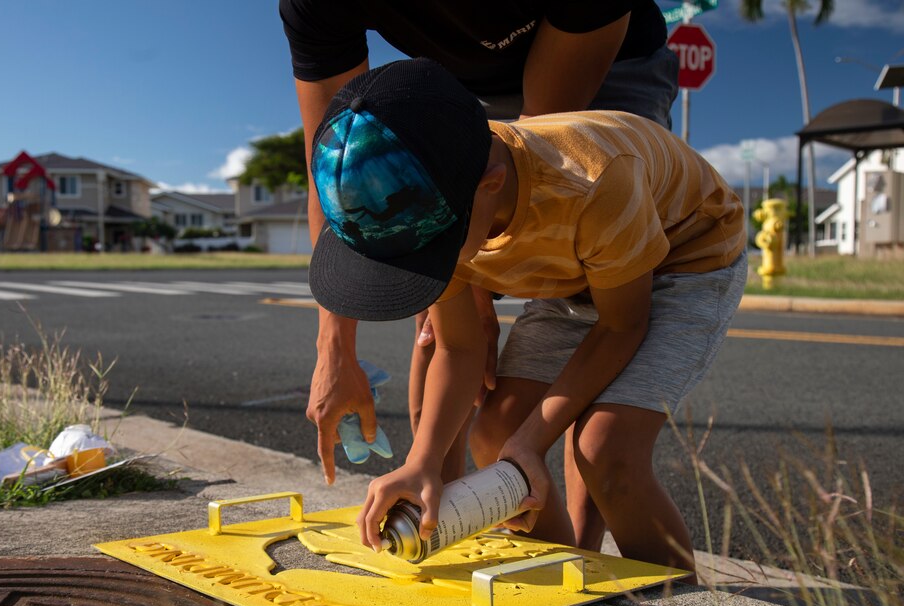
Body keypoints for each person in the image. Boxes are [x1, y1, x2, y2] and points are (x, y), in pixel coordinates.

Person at [306, 59, 746, 576]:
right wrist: (423, 461)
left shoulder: (594, 181)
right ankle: (570, 581)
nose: (427, 269)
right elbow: (458, 348)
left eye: (430, 256)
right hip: (581, 269)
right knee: (495, 435)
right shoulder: (438, 204)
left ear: (491, 184)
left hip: (683, 260)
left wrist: (534, 441)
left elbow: (621, 325)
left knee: (605, 450)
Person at [280, 0, 680, 488]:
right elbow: (336, 171)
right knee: (436, 313)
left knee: (594, 299)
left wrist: (478, 262)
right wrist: (334, 350)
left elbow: (539, 140)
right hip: (458, 93)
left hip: (606, 62)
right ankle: (432, 503)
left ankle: (590, 537)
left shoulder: (604, 170)